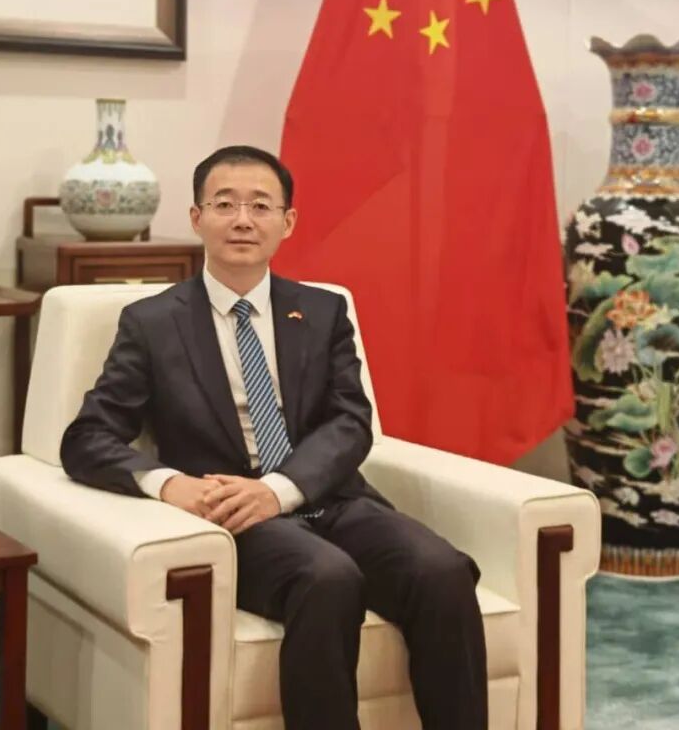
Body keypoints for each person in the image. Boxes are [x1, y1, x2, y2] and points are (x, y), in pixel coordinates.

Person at [61, 145, 487, 730]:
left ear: (287, 222)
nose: (243, 219)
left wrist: (282, 488)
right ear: (196, 218)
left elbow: (350, 421)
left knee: (442, 570)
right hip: (234, 515)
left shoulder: (323, 310)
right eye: (225, 204)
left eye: (260, 206)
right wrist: (169, 484)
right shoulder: (153, 322)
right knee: (329, 578)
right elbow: (87, 437)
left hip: (326, 496)